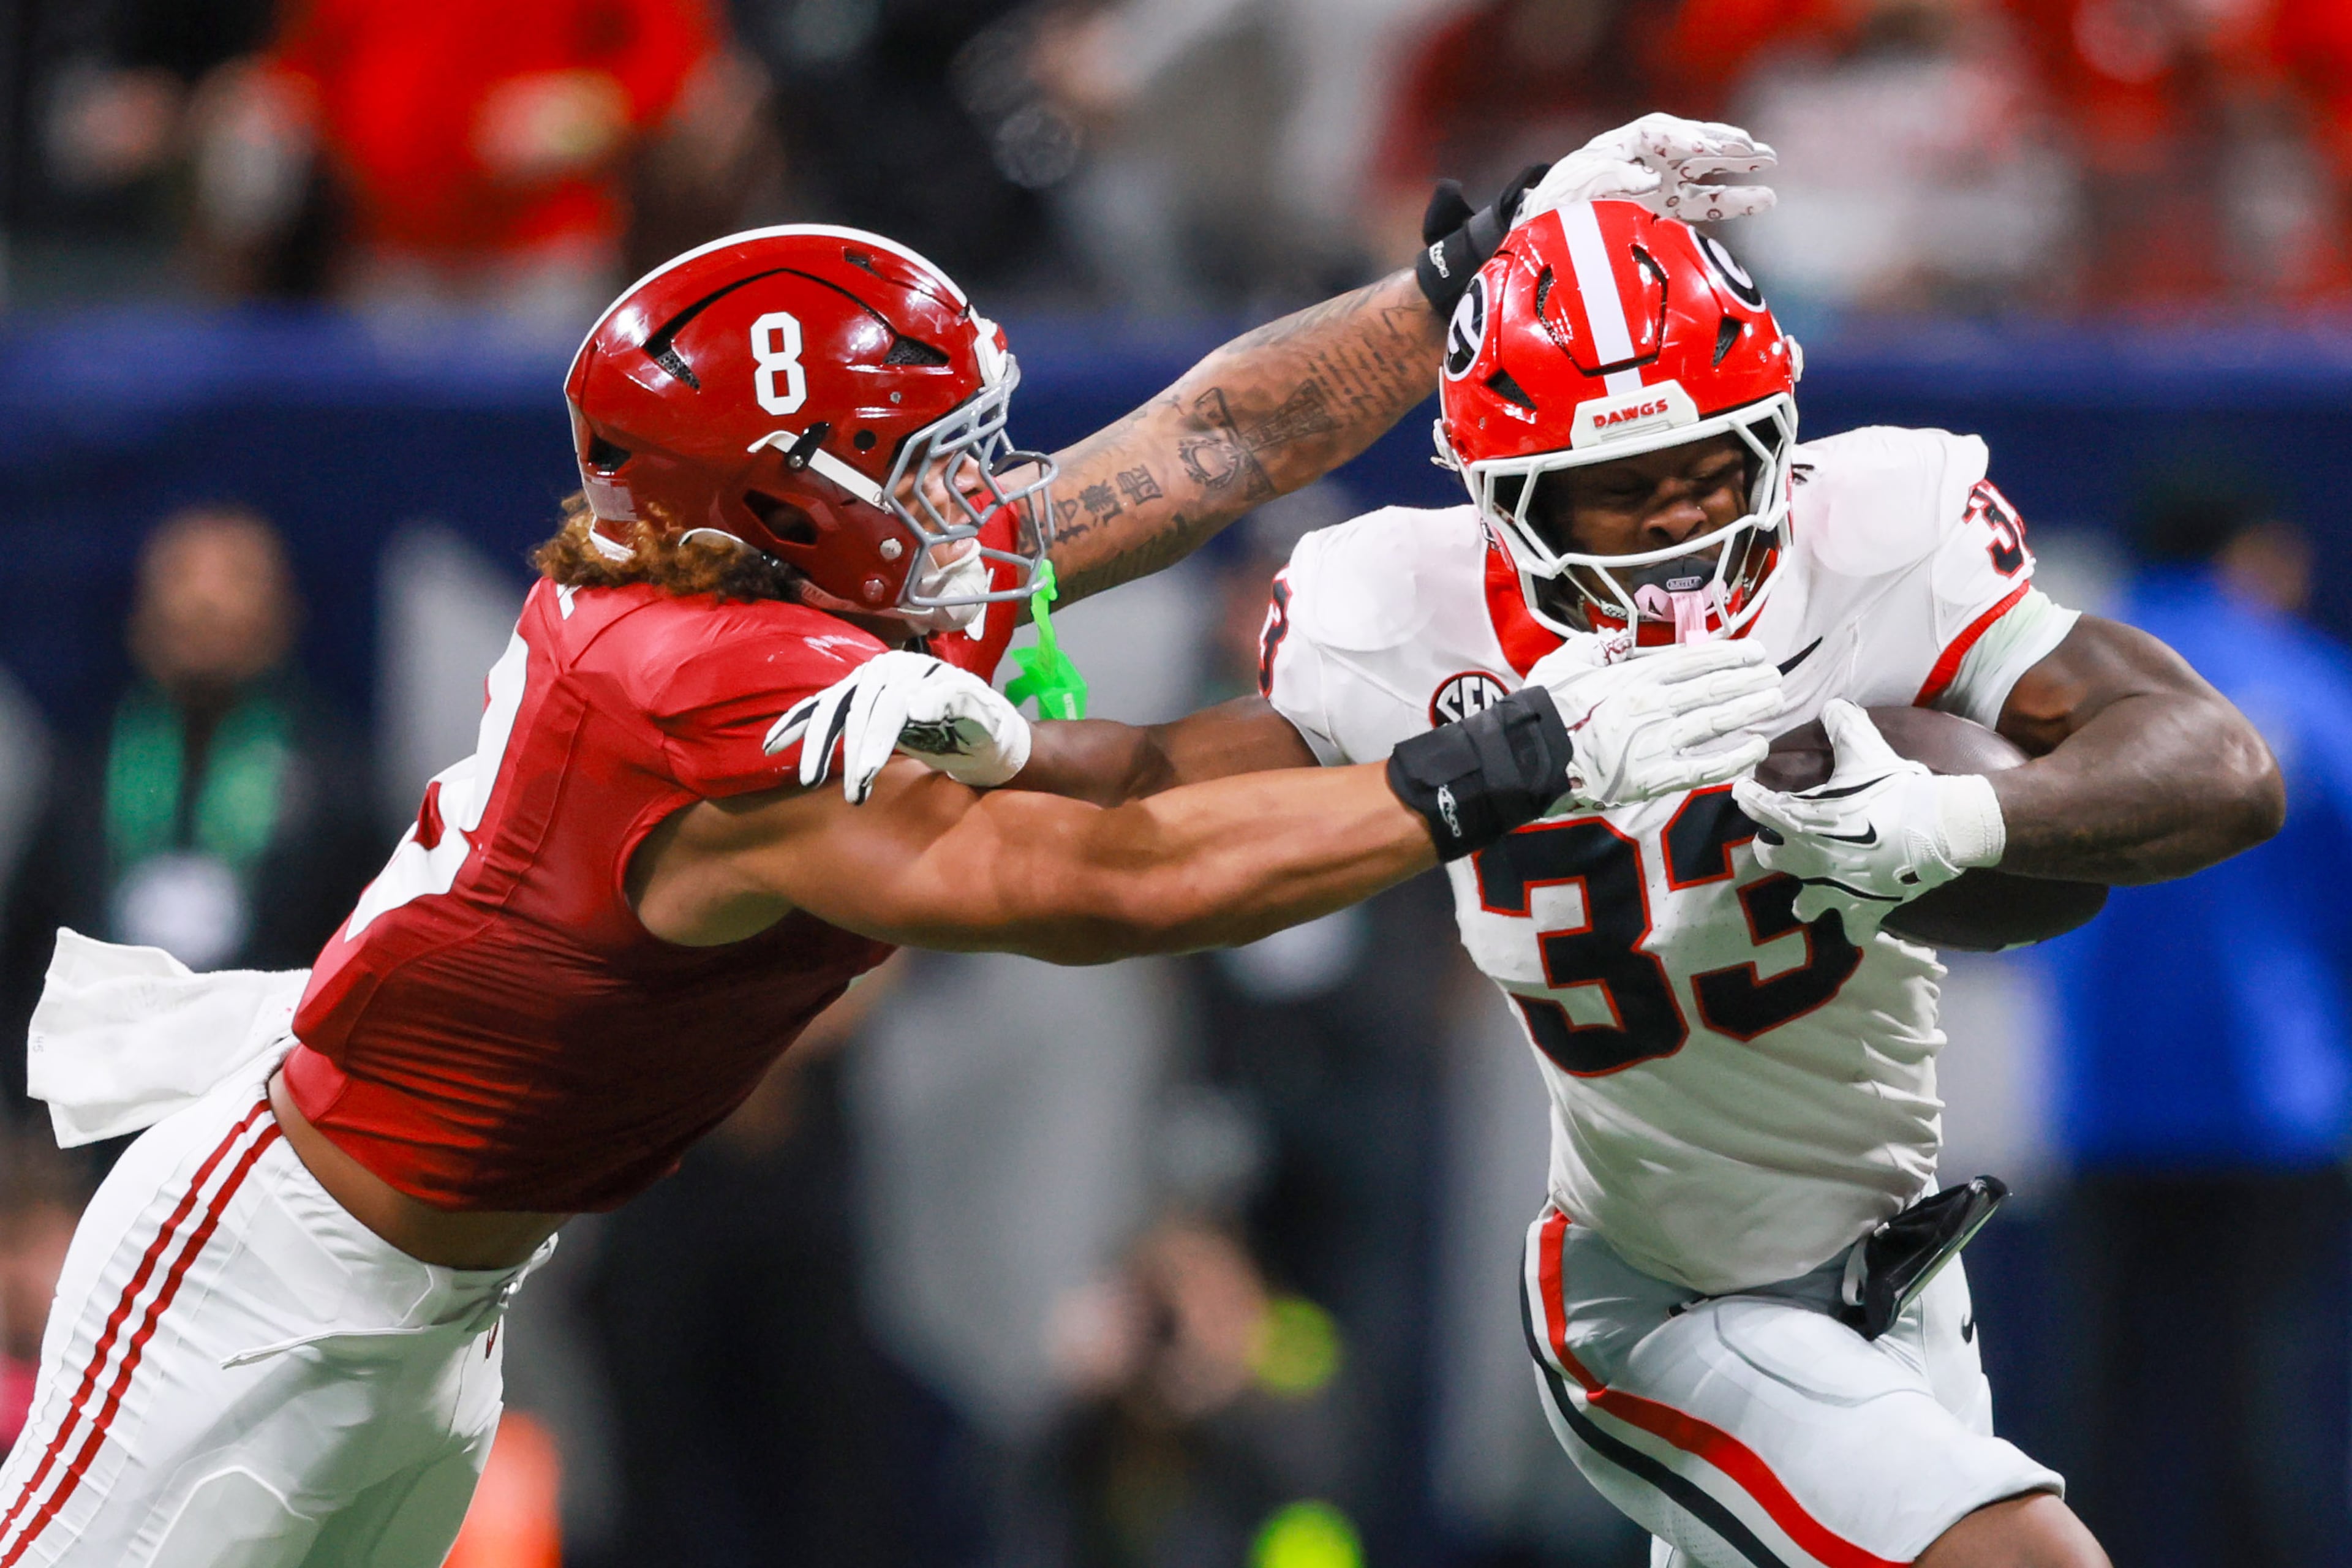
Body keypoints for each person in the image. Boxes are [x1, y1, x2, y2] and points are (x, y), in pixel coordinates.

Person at [0, 118, 1788, 1566]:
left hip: (425, 1305)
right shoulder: (704, 685)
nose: (969, 495)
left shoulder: (784, 582)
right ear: (786, 493)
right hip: (262, 1278)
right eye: (921, 458)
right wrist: (1496, 769)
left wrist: (1453, 289)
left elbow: (1209, 440)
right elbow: (1091, 883)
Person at [816, 198, 2284, 1566]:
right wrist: (998, 737)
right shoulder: (1402, 613)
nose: (1672, 520)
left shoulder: (1878, 538)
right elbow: (1152, 778)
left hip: (1904, 1273)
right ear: (1503, 493)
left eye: (1708, 465)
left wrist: (1959, 816)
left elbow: (2218, 761)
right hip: (1664, 1298)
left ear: (1776, 427)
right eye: (1612, 488)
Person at [2042, 483, 2352, 1566]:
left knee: (2108, 1403)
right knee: (2259, 1401)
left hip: (2107, 1102)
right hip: (2274, 1104)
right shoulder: (2306, 683)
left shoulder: (2063, 690)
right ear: (2258, 550)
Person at [1, 506, 382, 1114]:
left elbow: (377, 977)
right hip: (94, 1127)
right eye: (181, 577)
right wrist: (24, 1146)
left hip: (277, 1128)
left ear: (285, 614)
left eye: (234, 578)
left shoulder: (340, 778)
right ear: (139, 616)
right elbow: (23, 960)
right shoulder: (86, 764)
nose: (203, 602)